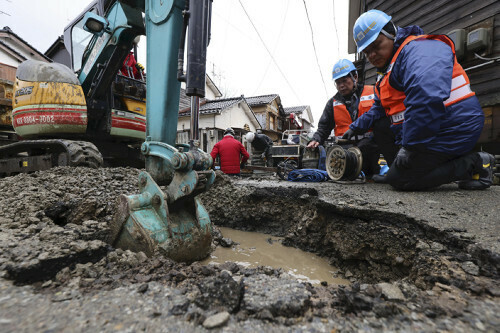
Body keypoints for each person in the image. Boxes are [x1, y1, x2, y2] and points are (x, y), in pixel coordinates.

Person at [343, 9, 494, 190]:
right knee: (381, 126)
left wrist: (411, 146)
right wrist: (354, 128)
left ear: (391, 32)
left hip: (454, 126)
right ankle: (400, 169)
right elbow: (379, 108)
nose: (372, 55)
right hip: (432, 126)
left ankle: (475, 162)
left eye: (376, 46)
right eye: (367, 52)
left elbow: (426, 98)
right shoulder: (387, 70)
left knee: (401, 181)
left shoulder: (419, 50)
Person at [307, 59, 381, 178]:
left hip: (370, 147)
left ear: (355, 77)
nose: (341, 85)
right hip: (345, 149)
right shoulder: (332, 103)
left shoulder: (372, 92)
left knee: (369, 168)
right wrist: (316, 139)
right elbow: (323, 127)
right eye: (338, 82)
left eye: (345, 80)